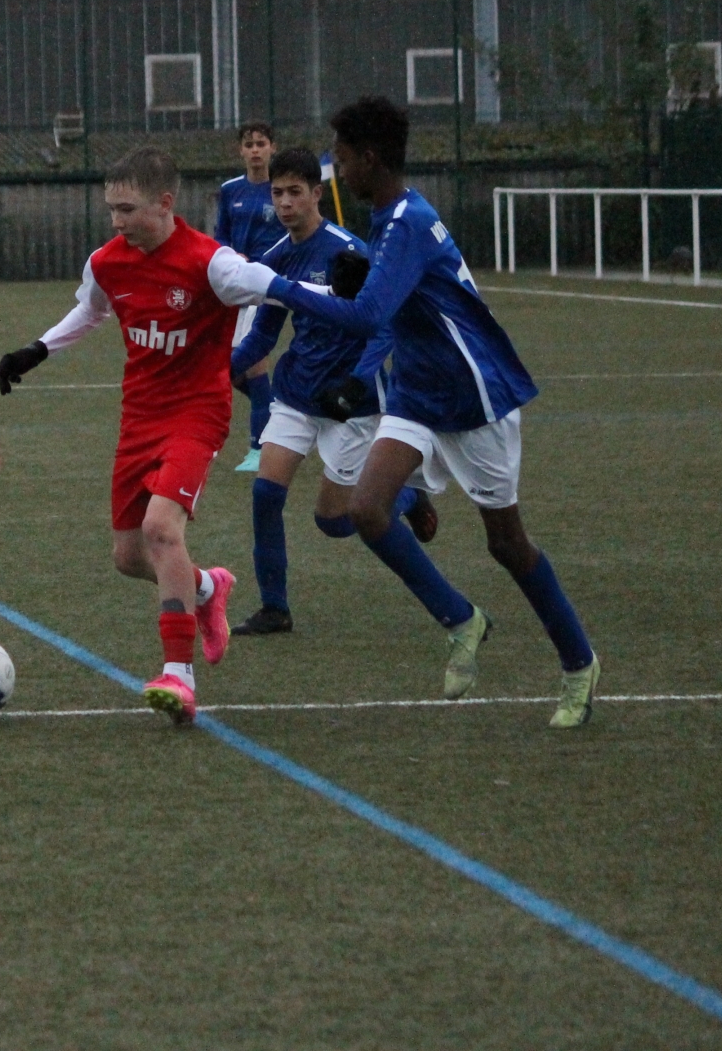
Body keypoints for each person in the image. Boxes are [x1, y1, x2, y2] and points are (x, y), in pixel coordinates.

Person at [251, 96, 601, 729]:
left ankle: (579, 662)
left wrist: (278, 287)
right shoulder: (388, 218)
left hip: (473, 395)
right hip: (417, 391)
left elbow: (368, 317)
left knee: (507, 544)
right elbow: (385, 298)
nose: (338, 173)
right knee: (365, 509)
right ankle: (462, 619)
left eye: (342, 160)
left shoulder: (407, 221)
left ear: (369, 158)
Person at [0, 147, 275, 727]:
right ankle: (205, 588)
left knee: (160, 529)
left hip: (197, 413)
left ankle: (179, 676)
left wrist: (345, 297)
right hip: (139, 416)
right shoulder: (107, 263)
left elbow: (278, 287)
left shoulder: (211, 262)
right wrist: (37, 350)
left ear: (165, 203)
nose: (116, 220)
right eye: (111, 209)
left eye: (127, 209)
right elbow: (90, 312)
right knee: (128, 557)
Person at [227, 147, 439, 637]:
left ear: (316, 194)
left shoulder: (350, 252)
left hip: (351, 404)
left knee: (335, 521)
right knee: (265, 494)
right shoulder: (276, 259)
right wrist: (219, 373)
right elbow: (262, 336)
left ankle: (408, 498)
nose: (285, 203)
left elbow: (383, 326)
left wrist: (358, 380)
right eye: (277, 193)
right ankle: (275, 608)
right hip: (297, 393)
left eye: (294, 192)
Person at [216, 122, 281, 473]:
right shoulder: (230, 190)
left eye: (261, 143)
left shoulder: (281, 189)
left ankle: (259, 449)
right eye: (249, 144)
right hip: (234, 284)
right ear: (241, 150)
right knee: (233, 368)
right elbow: (220, 235)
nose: (255, 150)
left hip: (264, 285)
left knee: (253, 363)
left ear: (272, 148)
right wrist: (229, 255)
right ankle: (282, 411)